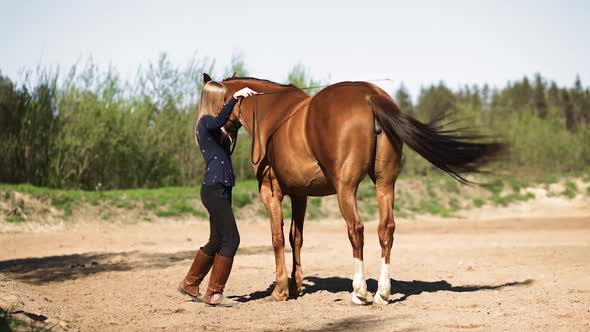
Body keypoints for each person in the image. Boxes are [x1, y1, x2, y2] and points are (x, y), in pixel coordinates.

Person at [178, 80, 257, 307]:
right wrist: (236, 97)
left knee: (216, 240)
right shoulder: (205, 123)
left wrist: (237, 125)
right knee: (232, 239)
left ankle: (189, 284)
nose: (225, 102)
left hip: (220, 187)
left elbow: (224, 128)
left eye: (226, 99)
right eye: (222, 99)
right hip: (214, 189)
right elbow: (220, 119)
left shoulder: (214, 127)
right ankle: (214, 294)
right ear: (214, 100)